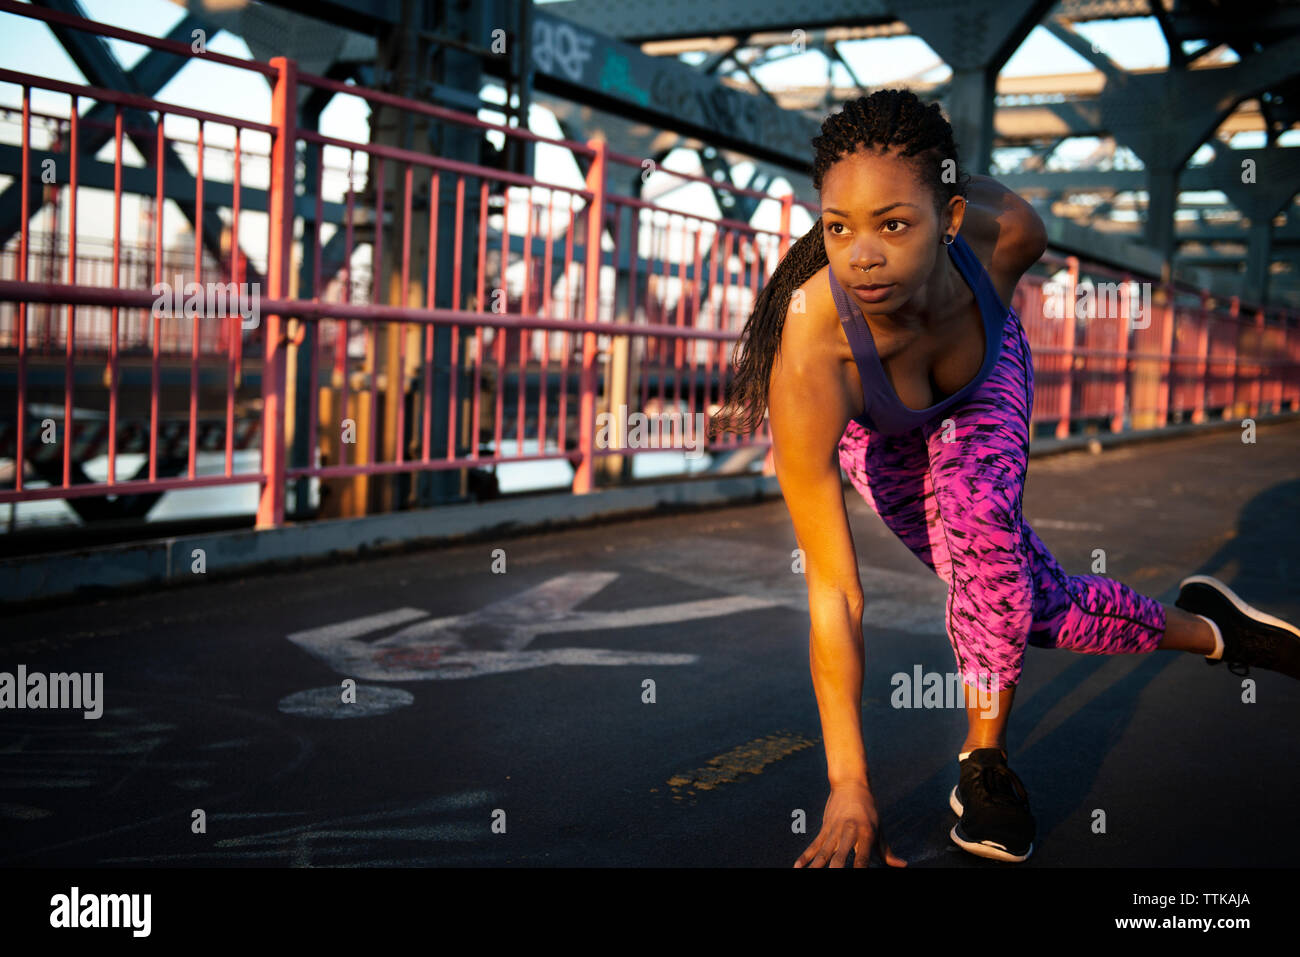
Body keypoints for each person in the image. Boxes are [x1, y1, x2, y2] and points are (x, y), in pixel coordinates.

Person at [707, 89, 1300, 868]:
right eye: (839, 227)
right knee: (1027, 601)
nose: (862, 255)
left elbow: (963, 205)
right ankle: (1209, 627)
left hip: (980, 377)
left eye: (895, 223)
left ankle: (984, 760)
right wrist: (848, 783)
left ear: (949, 219)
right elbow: (834, 589)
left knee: (985, 537)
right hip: (878, 434)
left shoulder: (1008, 233)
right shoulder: (814, 348)